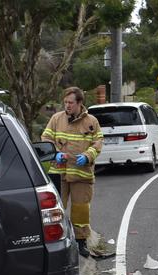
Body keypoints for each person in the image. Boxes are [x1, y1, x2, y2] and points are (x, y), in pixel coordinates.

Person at [41, 87, 103, 257]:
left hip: (81, 174)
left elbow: (98, 143)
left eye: (71, 102)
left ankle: (81, 242)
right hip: (58, 173)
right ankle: (56, 243)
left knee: (81, 210)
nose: (67, 105)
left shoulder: (91, 122)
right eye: (65, 102)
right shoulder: (56, 119)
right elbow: (45, 138)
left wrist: (88, 156)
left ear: (79, 103)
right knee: (55, 211)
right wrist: (55, 153)